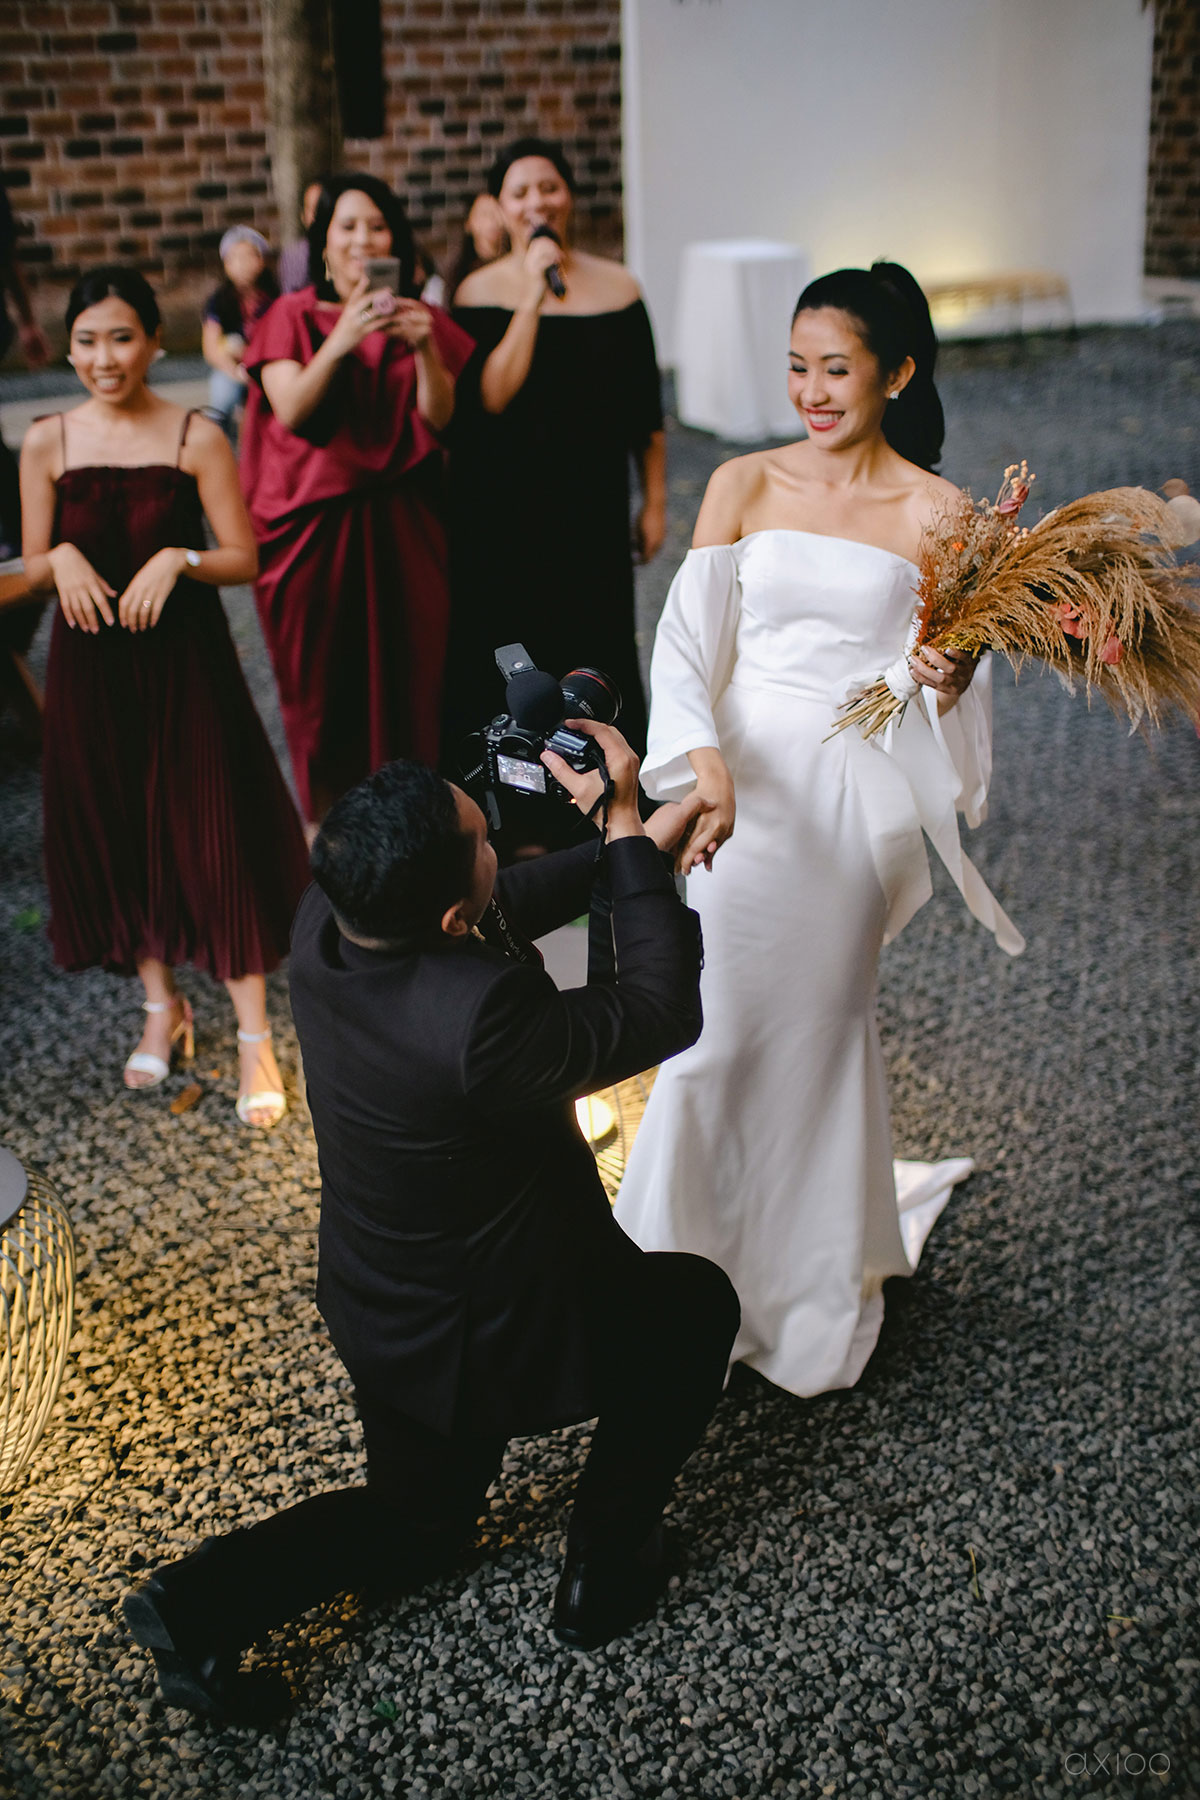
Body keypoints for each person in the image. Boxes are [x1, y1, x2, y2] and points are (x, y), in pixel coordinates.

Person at [121, 724, 740, 1722]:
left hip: (381, 1298)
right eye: (484, 839)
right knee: (693, 1309)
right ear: (452, 917)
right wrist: (624, 822)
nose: (498, 840)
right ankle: (607, 1566)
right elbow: (660, 1011)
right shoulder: (482, 1019)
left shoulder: (330, 917)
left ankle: (196, 1603)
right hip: (495, 1317)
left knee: (422, 1525)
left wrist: (632, 849)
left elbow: (493, 901)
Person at [614, 262, 1026, 1399]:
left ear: (896, 374)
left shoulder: (944, 514)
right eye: (797, 367)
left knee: (814, 1033)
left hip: (853, 799)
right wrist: (701, 764)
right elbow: (686, 648)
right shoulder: (743, 482)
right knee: (709, 1040)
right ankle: (671, 1291)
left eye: (836, 369)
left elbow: (952, 688)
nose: (811, 391)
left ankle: (804, 1289)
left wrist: (950, 676)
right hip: (740, 790)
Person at [19, 266, 309, 1127]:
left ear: (153, 341)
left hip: (186, 667)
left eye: (121, 337)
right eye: (86, 341)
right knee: (119, 829)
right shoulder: (47, 441)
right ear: (68, 349)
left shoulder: (196, 434)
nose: (104, 358)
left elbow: (243, 557)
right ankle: (162, 1005)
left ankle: (254, 1032)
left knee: (208, 829)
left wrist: (178, 559)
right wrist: (59, 558)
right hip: (91, 672)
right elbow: (32, 563)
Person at [239, 172, 474, 837]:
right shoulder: (290, 315)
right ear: (323, 243)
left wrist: (423, 345)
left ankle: (411, 837)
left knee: (412, 684)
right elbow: (293, 410)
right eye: (347, 226)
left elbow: (440, 420)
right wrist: (343, 336)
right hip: (313, 532)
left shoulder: (421, 319)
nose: (363, 239)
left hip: (404, 527)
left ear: (396, 242)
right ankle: (329, 843)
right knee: (321, 696)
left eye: (377, 226)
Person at [442, 138, 666, 786]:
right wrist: (533, 297)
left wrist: (654, 500)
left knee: (595, 642)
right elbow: (491, 396)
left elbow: (645, 412)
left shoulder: (620, 289)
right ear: (499, 206)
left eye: (549, 187)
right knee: (508, 647)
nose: (537, 202)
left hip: (591, 506)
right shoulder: (477, 291)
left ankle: (607, 785)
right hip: (501, 510)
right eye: (520, 192)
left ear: (568, 197)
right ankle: (508, 787)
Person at [200, 225, 279, 443]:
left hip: (266, 363)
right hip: (234, 366)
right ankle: (220, 442)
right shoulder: (219, 301)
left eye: (248, 256)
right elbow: (211, 348)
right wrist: (235, 371)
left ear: (261, 260)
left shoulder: (275, 298)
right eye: (234, 258)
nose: (241, 264)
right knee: (223, 395)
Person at [277, 179, 324, 294]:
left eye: (323, 208)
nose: (319, 216)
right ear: (303, 216)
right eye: (313, 210)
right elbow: (293, 297)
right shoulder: (295, 255)